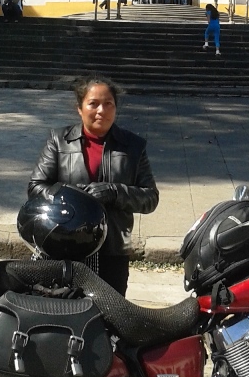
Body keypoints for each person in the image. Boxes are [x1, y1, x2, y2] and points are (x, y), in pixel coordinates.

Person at [28, 76, 159, 295]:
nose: (101, 111)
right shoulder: (59, 141)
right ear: (80, 108)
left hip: (112, 250)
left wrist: (115, 192)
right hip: (65, 245)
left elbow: (150, 198)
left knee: (109, 316)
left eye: (108, 104)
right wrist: (73, 197)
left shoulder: (133, 146)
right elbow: (36, 187)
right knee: (65, 311)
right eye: (93, 104)